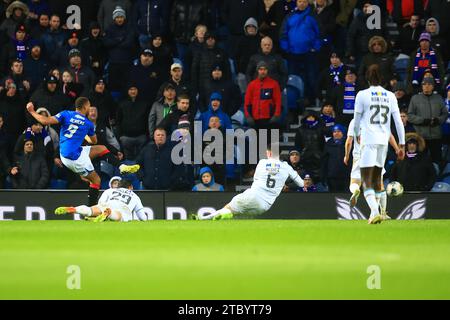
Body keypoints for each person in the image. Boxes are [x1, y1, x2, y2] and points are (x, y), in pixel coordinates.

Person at [26, 97, 140, 206]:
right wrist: (85, 134)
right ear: (85, 107)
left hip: (68, 153)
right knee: (96, 180)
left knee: (102, 149)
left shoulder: (66, 114)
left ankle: (121, 167)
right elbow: (94, 140)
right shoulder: (88, 123)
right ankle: (91, 211)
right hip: (73, 157)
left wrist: (32, 111)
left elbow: (45, 121)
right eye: (89, 106)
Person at [353, 65, 405, 224]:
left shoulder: (362, 95)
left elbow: (356, 121)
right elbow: (398, 122)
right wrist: (401, 144)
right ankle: (378, 212)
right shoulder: (390, 95)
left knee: (367, 180)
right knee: (377, 179)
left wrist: (357, 136)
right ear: (382, 79)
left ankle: (375, 211)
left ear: (367, 79)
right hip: (384, 142)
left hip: (369, 141)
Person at [199, 143, 304, 220]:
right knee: (237, 214)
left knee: (229, 207)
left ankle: (204, 219)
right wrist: (284, 184)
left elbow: (256, 179)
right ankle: (224, 215)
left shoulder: (262, 162)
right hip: (265, 206)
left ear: (269, 152)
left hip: (254, 195)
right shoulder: (287, 167)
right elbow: (301, 184)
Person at [344, 118, 401, 220]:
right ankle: (382, 212)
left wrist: (346, 155)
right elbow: (389, 135)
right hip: (375, 156)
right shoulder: (378, 120)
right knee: (379, 185)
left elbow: (349, 141)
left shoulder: (354, 121)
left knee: (355, 182)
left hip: (359, 156)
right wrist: (397, 149)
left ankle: (356, 191)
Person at [55, 179, 147, 222]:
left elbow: (101, 203)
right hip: (122, 208)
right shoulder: (135, 196)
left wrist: (99, 212)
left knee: (90, 210)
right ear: (130, 187)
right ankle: (109, 214)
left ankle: (75, 209)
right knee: (119, 216)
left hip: (108, 204)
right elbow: (143, 217)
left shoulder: (110, 190)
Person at [407, 77, 447, 164]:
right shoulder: (415, 98)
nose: (426, 86)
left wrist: (438, 120)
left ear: (433, 86)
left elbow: (445, 114)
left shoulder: (439, 98)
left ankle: (436, 177)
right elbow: (409, 116)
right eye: (424, 84)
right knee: (420, 161)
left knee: (436, 161)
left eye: (429, 84)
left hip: (436, 136)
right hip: (421, 137)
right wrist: (423, 120)